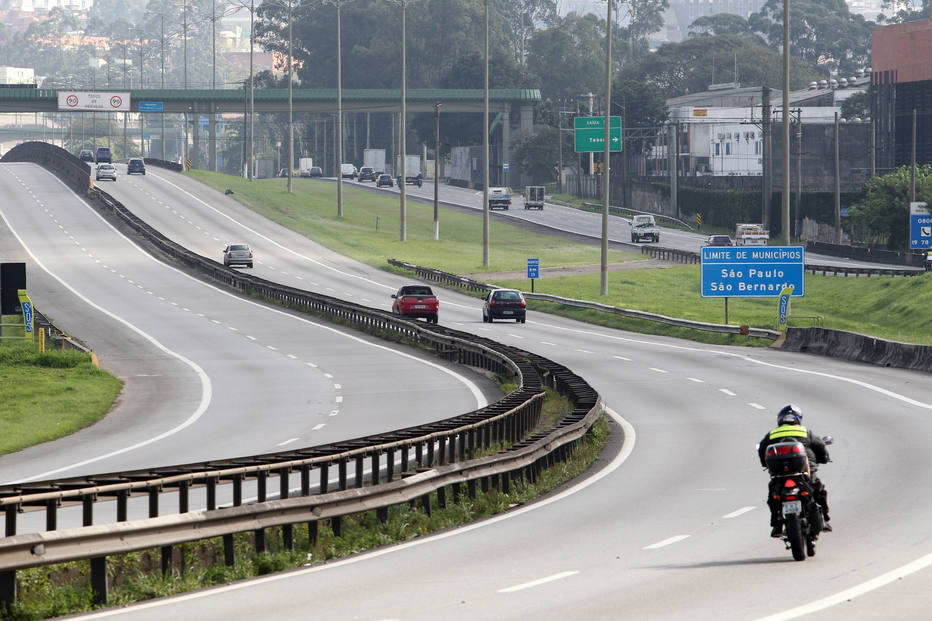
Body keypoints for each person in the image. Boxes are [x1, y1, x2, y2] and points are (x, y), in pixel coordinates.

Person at [757, 404, 831, 537]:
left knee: (773, 496)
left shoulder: (772, 434)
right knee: (818, 490)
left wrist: (765, 463)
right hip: (805, 473)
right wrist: (825, 458)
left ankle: (776, 525)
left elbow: (762, 450)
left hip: (780, 475)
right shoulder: (805, 432)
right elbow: (820, 447)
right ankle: (824, 518)